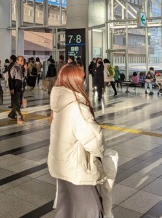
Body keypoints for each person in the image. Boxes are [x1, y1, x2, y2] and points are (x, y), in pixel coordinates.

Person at [48, 64, 105, 218]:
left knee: (66, 209)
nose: (85, 82)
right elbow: (94, 140)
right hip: (78, 168)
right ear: (74, 81)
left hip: (62, 166)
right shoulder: (76, 108)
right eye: (82, 79)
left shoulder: (58, 104)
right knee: (92, 210)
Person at [8, 56, 25, 123]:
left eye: (23, 60)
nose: (22, 62)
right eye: (21, 60)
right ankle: (19, 117)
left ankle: (12, 114)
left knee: (18, 102)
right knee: (17, 102)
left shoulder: (20, 68)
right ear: (17, 61)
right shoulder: (14, 68)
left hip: (20, 87)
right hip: (16, 88)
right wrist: (12, 88)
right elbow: (11, 79)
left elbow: (23, 78)